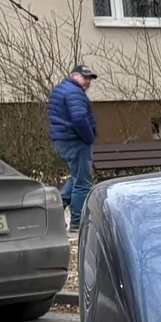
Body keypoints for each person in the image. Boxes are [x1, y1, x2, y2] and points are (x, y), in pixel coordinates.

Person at [46, 63, 99, 227]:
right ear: (74, 75)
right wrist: (89, 137)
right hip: (75, 141)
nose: (88, 81)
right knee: (83, 183)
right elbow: (79, 119)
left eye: (90, 78)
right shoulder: (74, 93)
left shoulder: (60, 89)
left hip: (61, 140)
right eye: (84, 77)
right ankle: (78, 222)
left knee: (77, 178)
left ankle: (53, 210)